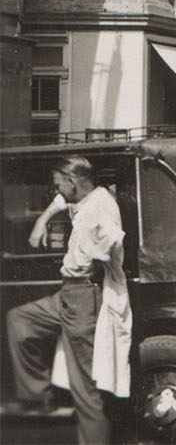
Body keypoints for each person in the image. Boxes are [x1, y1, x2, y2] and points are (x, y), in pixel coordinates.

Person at [7, 157, 130, 444]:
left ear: (72, 181)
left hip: (83, 295)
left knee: (85, 385)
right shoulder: (88, 197)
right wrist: (42, 219)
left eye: (58, 184)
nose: (56, 191)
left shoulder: (101, 207)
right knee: (20, 321)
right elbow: (64, 202)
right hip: (68, 293)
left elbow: (112, 241)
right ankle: (39, 397)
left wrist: (96, 262)